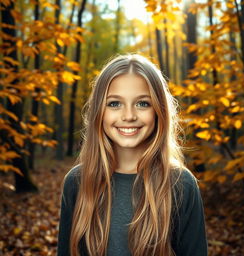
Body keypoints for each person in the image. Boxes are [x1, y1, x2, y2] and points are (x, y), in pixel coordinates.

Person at [57, 54, 208, 256]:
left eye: (142, 103)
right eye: (114, 104)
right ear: (98, 112)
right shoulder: (77, 182)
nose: (128, 116)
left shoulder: (181, 184)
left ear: (159, 111)